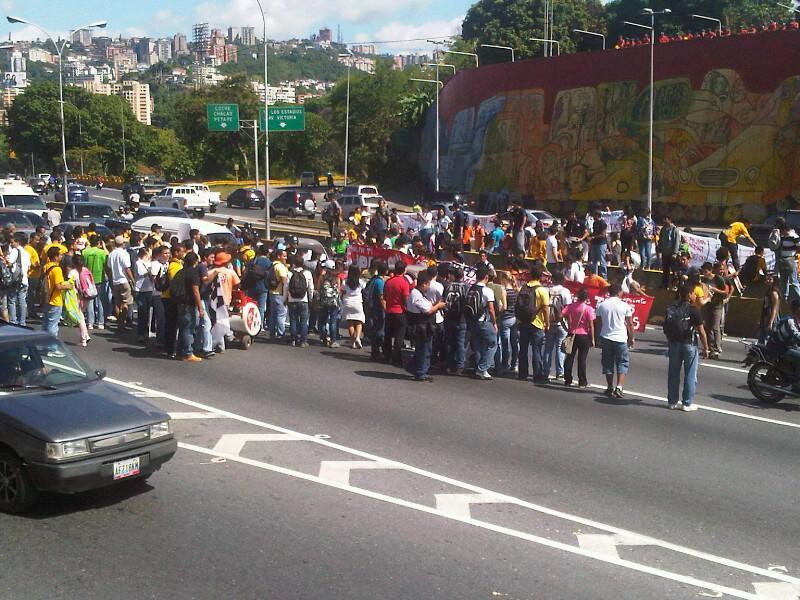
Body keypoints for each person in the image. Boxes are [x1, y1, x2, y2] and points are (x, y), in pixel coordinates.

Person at [663, 285, 709, 411]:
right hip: (689, 344)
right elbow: (701, 331)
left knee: (673, 373)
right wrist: (706, 348)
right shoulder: (694, 310)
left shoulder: (671, 308)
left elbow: (666, 328)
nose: (695, 295)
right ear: (689, 295)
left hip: (674, 344)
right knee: (690, 374)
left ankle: (672, 402)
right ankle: (687, 403)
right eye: (694, 293)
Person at [595, 283, 634, 398]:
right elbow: (630, 323)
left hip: (606, 337)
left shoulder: (602, 305)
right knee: (622, 362)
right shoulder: (624, 305)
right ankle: (619, 387)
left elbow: (598, 323)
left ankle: (609, 387)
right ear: (618, 292)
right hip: (620, 338)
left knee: (607, 363)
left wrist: (597, 337)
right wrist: (632, 338)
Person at [405, 270, 446, 382]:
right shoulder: (416, 294)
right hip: (421, 326)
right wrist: (438, 305)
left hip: (424, 325)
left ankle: (417, 368)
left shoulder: (418, 293)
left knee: (423, 349)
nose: (429, 287)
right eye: (428, 284)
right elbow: (428, 310)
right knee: (424, 350)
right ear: (424, 284)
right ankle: (420, 372)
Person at [516, 264, 550, 383]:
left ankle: (522, 373)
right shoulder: (542, 290)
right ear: (540, 276)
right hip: (537, 323)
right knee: (536, 349)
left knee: (523, 349)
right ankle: (537, 375)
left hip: (524, 322)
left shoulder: (524, 287)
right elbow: (546, 309)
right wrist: (547, 324)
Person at [467, 264, 498, 380]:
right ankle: (482, 368)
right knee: (493, 343)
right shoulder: (487, 291)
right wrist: (494, 323)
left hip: (472, 321)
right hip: (484, 321)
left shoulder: (471, 288)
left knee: (479, 345)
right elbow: (491, 309)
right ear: (486, 276)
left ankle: (478, 368)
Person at [562, 287, 596, 388]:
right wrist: (593, 338)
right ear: (586, 297)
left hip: (572, 333)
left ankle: (567, 379)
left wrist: (565, 326)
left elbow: (560, 315)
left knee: (569, 358)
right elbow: (591, 325)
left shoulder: (570, 306)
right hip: (584, 335)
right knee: (582, 359)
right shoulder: (588, 309)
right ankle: (582, 381)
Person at [766, 299, 800, 393]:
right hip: (779, 347)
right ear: (797, 309)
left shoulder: (797, 320)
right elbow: (796, 335)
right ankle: (797, 384)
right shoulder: (790, 321)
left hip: (789, 345)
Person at [544, 271, 572, 381]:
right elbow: (568, 308)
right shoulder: (565, 291)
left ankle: (545, 370)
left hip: (549, 322)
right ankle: (560, 372)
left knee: (548, 348)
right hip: (561, 323)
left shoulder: (547, 290)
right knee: (561, 349)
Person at [41, 246, 73, 338]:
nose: (61, 256)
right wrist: (69, 286)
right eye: (60, 255)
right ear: (56, 256)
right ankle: (51, 345)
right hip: (55, 300)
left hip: (46, 297)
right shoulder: (56, 269)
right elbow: (59, 285)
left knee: (46, 323)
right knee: (53, 325)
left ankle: (43, 342)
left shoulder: (46, 267)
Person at [177, 252, 203, 362]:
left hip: (180, 302)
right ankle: (188, 353)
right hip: (189, 303)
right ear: (195, 261)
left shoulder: (181, 271)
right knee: (189, 328)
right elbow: (195, 291)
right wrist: (200, 307)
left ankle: (181, 352)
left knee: (183, 328)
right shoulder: (193, 273)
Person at [382, 261, 410, 365]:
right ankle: (396, 357)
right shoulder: (404, 282)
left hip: (389, 311)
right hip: (400, 312)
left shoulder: (389, 281)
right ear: (404, 270)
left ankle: (387, 355)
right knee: (399, 336)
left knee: (388, 334)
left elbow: (384, 296)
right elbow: (406, 299)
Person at [443, 266, 468, 375]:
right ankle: (460, 366)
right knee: (460, 342)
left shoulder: (448, 286)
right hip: (461, 318)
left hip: (449, 317)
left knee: (449, 342)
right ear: (462, 276)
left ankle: (449, 364)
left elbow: (444, 300)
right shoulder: (466, 288)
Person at [285, 254, 314, 347]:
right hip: (303, 299)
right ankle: (303, 341)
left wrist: (285, 298)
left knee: (293, 320)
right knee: (304, 321)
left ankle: (293, 339)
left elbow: (286, 287)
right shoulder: (307, 273)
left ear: (294, 263)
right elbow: (311, 288)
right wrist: (311, 298)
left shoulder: (289, 273)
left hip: (292, 299)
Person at [700, 262, 726, 359]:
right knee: (707, 327)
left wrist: (715, 289)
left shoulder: (718, 279)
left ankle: (717, 347)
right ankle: (709, 347)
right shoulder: (704, 279)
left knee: (715, 327)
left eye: (706, 271)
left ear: (710, 270)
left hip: (717, 305)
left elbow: (725, 292)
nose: (704, 272)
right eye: (703, 271)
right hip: (708, 304)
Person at [109, 235, 134, 332]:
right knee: (125, 303)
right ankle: (122, 323)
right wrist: (132, 279)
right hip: (124, 280)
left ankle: (119, 323)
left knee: (117, 303)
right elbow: (127, 268)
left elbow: (108, 267)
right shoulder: (124, 253)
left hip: (115, 281)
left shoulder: (111, 254)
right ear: (123, 243)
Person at [82, 234, 108, 330]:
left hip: (87, 279)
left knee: (89, 301)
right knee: (100, 301)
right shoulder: (102, 253)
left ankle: (90, 323)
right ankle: (100, 322)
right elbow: (106, 264)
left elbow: (83, 264)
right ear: (99, 242)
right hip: (100, 278)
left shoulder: (84, 252)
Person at [495, 271, 519, 374]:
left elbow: (504, 307)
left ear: (504, 279)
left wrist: (499, 308)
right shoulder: (515, 290)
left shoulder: (504, 291)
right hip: (514, 318)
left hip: (505, 319)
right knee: (514, 343)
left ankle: (505, 364)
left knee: (505, 344)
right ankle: (515, 364)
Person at [772, 217, 800, 302]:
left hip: (790, 259)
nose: (780, 233)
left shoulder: (794, 236)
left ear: (784, 229)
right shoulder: (783, 237)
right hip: (782, 259)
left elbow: (799, 247)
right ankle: (784, 298)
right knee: (784, 280)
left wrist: (795, 254)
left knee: (793, 280)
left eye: (781, 231)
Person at [66, 255, 92, 347]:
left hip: (77, 296)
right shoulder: (86, 270)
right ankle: (86, 335)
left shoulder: (72, 272)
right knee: (81, 315)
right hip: (87, 294)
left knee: (80, 317)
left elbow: (70, 284)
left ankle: (84, 338)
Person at [6, 233, 30, 326]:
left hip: (15, 280)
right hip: (24, 280)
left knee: (12, 300)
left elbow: (10, 263)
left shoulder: (15, 251)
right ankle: (22, 322)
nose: (11, 244)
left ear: (17, 242)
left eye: (13, 242)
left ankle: (13, 321)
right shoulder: (26, 252)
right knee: (22, 301)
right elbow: (28, 266)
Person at [366, 261, 388, 360]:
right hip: (378, 309)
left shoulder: (373, 279)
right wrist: (385, 309)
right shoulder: (380, 282)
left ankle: (375, 350)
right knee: (380, 331)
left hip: (372, 308)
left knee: (375, 329)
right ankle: (377, 351)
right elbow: (381, 297)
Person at [340, 265, 365, 348]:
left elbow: (342, 291)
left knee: (350, 322)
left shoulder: (345, 282)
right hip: (358, 302)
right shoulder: (361, 282)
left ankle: (353, 341)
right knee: (359, 321)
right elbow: (364, 289)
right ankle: (358, 337)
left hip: (347, 302)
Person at [268, 247, 289, 341]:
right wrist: (286, 295)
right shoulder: (280, 267)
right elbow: (285, 281)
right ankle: (281, 334)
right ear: (279, 256)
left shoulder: (272, 265)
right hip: (280, 293)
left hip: (272, 292)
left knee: (273, 315)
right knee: (281, 315)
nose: (285, 258)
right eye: (284, 256)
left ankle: (272, 334)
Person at [134, 247, 154, 343]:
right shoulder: (138, 263)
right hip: (140, 290)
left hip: (150, 289)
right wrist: (150, 272)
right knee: (142, 312)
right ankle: (140, 334)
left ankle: (146, 331)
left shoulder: (150, 263)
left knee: (148, 312)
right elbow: (140, 273)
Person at [657, 216, 681, 288]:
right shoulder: (663, 229)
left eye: (665, 219)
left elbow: (677, 242)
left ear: (669, 220)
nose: (664, 221)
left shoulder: (674, 230)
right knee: (665, 270)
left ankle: (674, 285)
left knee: (674, 271)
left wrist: (675, 253)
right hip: (665, 253)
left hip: (672, 254)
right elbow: (660, 240)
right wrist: (659, 249)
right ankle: (664, 284)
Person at [758, 273, 781, 344]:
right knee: (762, 338)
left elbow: (774, 309)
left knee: (767, 339)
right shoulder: (769, 291)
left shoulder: (774, 293)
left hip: (770, 318)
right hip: (765, 316)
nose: (767, 281)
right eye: (766, 279)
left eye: (770, 279)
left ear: (774, 281)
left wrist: (770, 323)